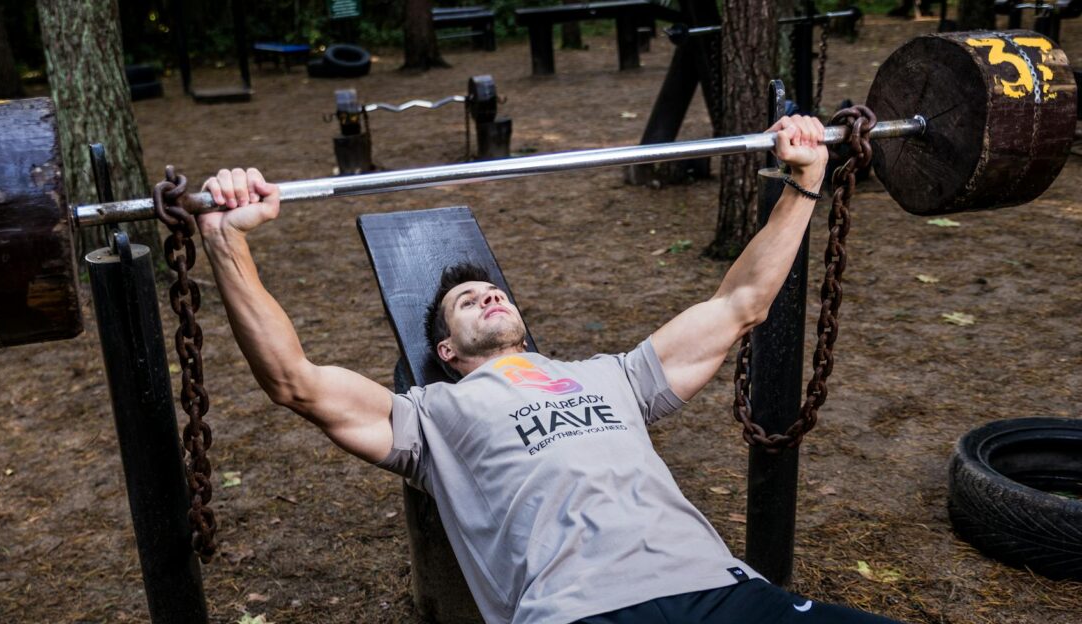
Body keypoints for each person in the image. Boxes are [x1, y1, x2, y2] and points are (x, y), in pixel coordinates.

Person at [197, 116, 901, 624]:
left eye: (492, 290)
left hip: (720, 591)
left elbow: (740, 303)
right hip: (574, 610)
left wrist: (804, 184)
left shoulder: (615, 377)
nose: (488, 295)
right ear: (447, 354)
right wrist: (227, 241)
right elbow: (294, 380)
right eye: (465, 303)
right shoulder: (428, 420)